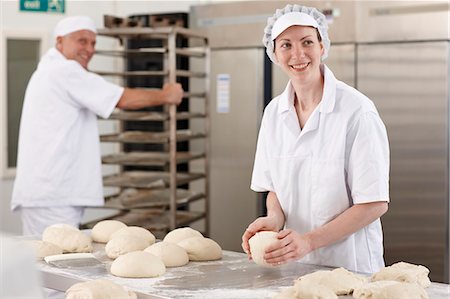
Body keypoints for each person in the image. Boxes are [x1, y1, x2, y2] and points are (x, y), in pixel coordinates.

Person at [241, 4, 389, 274]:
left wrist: (309, 241)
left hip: (350, 267)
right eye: (285, 45)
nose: (298, 54)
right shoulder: (274, 113)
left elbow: (373, 203)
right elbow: (275, 187)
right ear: (274, 53)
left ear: (322, 46)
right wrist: (274, 218)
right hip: (294, 265)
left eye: (307, 42)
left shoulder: (357, 111)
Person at [11, 16, 184, 236]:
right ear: (59, 41)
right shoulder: (63, 71)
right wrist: (167, 94)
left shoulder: (50, 72)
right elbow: (122, 99)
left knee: (48, 261)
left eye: (93, 43)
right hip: (53, 196)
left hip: (51, 194)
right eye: (81, 41)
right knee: (51, 261)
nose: (89, 49)